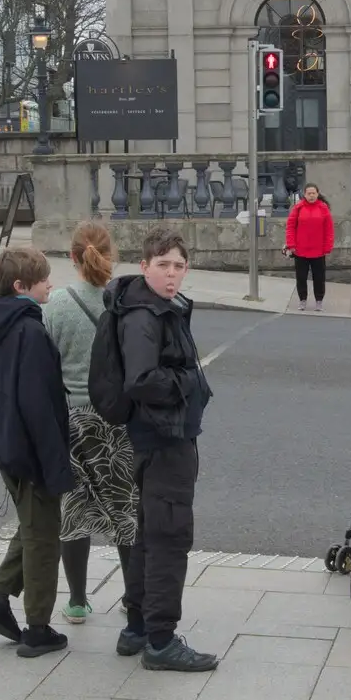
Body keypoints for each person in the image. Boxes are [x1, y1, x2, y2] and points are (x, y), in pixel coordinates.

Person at [104, 226, 218, 672]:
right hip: (163, 437)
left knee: (150, 533)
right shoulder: (143, 316)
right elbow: (141, 380)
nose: (172, 274)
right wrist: (190, 382)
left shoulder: (157, 306)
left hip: (160, 435)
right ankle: (161, 640)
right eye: (163, 265)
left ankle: (136, 627)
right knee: (169, 536)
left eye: (179, 266)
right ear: (144, 266)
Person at [0, 245, 74, 658]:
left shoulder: (0, 323)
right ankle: (37, 627)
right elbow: (39, 406)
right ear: (21, 286)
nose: (51, 283)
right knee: (44, 536)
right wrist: (55, 464)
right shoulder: (29, 331)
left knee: (33, 525)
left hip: (5, 442)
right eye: (45, 277)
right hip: (30, 451)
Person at [42, 222, 139, 626]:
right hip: (118, 418)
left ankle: (78, 601)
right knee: (126, 510)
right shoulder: (123, 303)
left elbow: (45, 366)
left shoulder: (57, 304)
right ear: (110, 255)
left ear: (72, 257)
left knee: (75, 508)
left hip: (73, 419)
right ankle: (134, 598)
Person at [284, 183, 334, 311]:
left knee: (319, 278)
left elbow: (329, 229)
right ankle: (302, 300)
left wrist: (328, 246)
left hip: (318, 251)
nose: (311, 196)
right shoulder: (298, 208)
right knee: (301, 277)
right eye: (309, 193)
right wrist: (291, 245)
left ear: (317, 194)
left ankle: (319, 300)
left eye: (313, 193)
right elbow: (290, 227)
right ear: (304, 195)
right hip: (300, 251)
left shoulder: (323, 208)